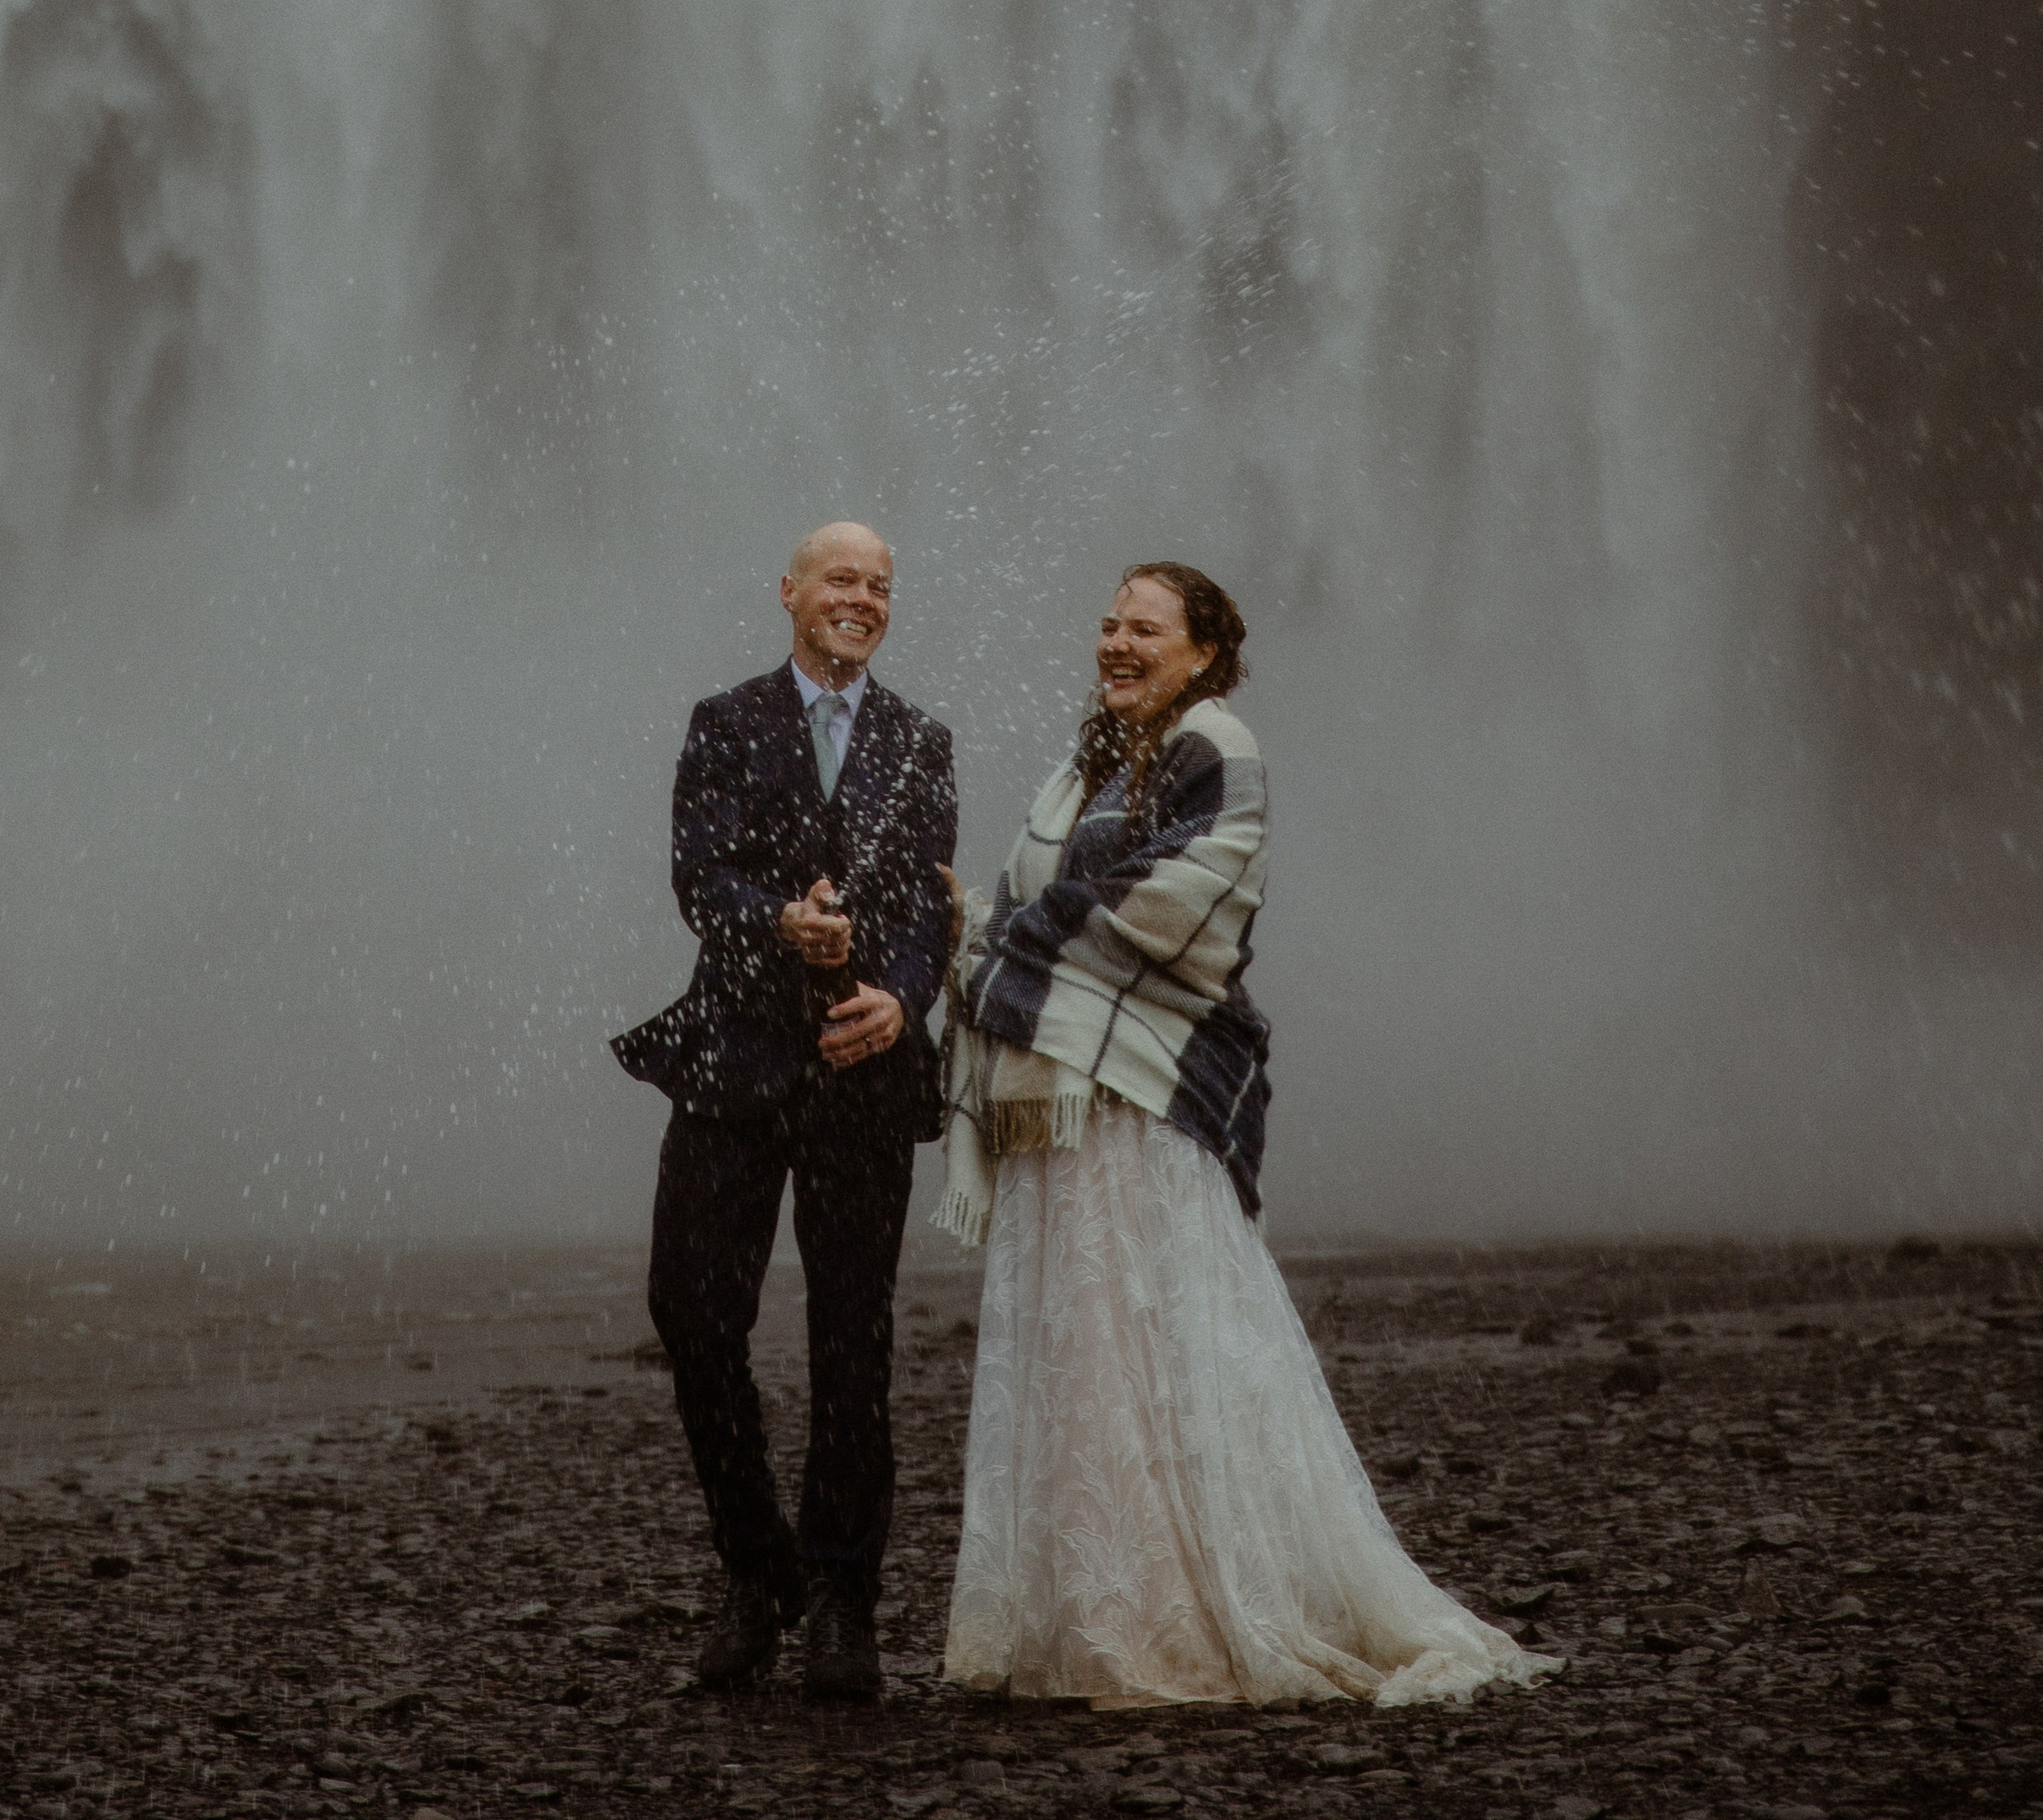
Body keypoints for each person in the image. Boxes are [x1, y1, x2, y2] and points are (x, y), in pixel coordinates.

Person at [937, 561, 1555, 1709]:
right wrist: (969, 926)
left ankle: (1174, 1615)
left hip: (1147, 1092)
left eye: (1147, 628)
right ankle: (1095, 1613)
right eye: (1110, 622)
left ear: (1206, 651)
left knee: (1162, 1347)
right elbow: (1040, 887)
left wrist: (1010, 940)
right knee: (1088, 1358)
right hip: (1067, 1093)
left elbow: (1180, 904)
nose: (1117, 641)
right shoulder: (1088, 761)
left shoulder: (1216, 744)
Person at [612, 521, 957, 1701]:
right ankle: (759, 1570)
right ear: (790, 592)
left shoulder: (922, 741)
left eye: (879, 585)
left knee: (850, 1338)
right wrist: (780, 923)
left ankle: (843, 1604)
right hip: (736, 1055)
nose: (860, 598)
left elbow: (926, 908)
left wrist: (902, 997)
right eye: (841, 579)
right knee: (692, 1309)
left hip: (865, 1070)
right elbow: (697, 876)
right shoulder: (724, 721)